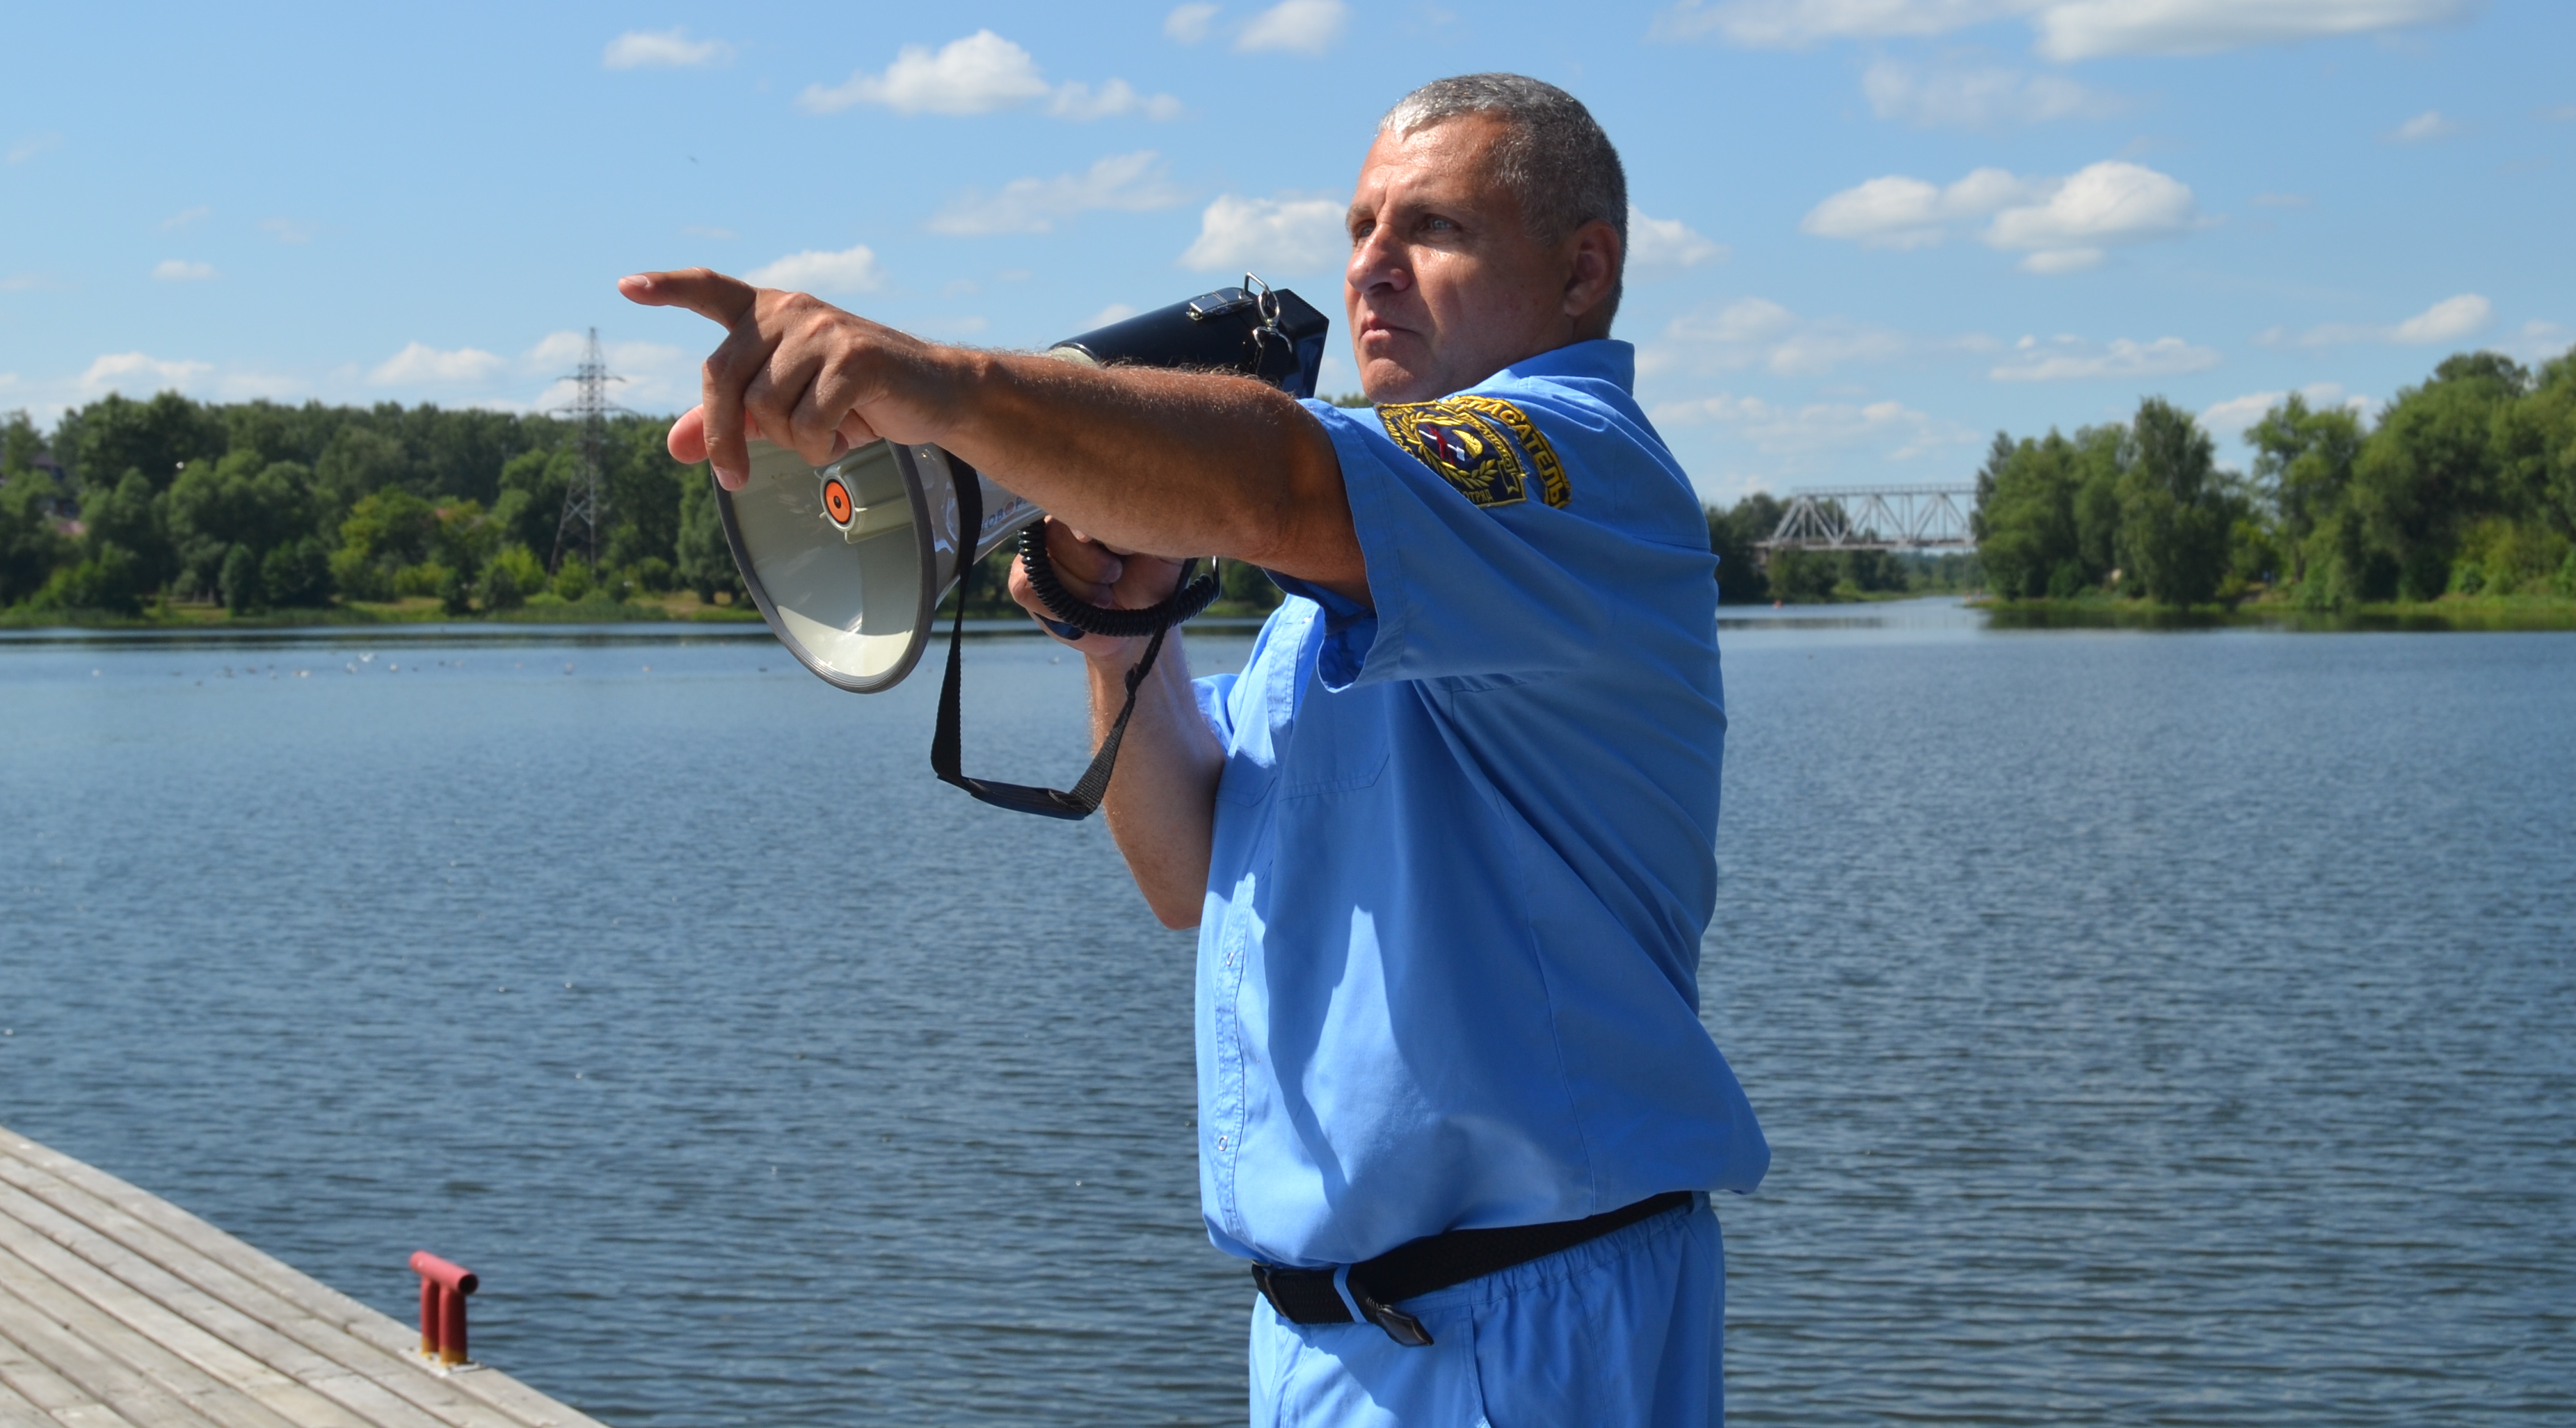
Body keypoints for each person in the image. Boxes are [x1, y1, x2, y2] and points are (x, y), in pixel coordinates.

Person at [623, 72, 1766, 1426]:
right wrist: (1123, 642)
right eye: (1358, 229)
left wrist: (938, 387)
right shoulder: (1347, 583)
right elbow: (1188, 870)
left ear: (1583, 271)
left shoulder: (1579, 466)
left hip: (1523, 1329)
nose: (1370, 270)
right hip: (1330, 1337)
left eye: (1435, 229)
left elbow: (1277, 476)